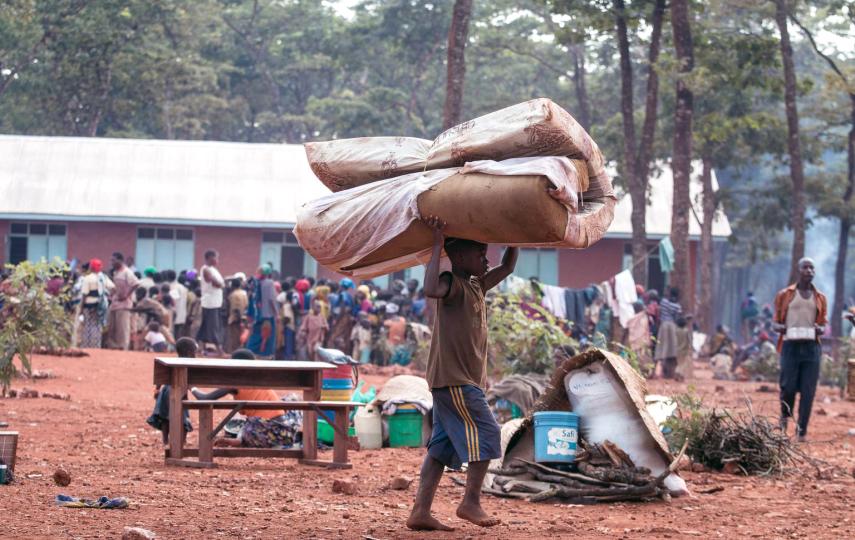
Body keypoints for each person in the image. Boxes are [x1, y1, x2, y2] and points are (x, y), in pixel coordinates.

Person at [407, 216, 518, 531]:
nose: (485, 259)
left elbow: (508, 266)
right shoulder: (452, 283)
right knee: (488, 433)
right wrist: (436, 245)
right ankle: (470, 502)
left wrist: (519, 234)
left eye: (486, 254)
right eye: (479, 254)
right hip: (455, 380)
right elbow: (430, 288)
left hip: (459, 382)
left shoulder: (477, 285)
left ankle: (420, 512)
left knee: (441, 448)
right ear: (457, 257)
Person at [189, 349, 301, 448]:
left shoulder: (235, 382)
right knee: (288, 400)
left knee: (246, 423)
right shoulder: (260, 376)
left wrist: (191, 387)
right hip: (287, 433)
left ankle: (240, 440)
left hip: (268, 433)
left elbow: (204, 399)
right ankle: (240, 439)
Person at [772, 257, 827, 442]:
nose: (809, 271)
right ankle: (784, 418)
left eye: (812, 268)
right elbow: (775, 322)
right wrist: (781, 328)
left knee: (808, 390)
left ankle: (802, 430)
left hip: (812, 347)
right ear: (799, 270)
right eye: (806, 267)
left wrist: (821, 329)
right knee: (787, 386)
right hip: (790, 346)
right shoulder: (785, 295)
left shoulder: (820, 298)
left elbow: (823, 324)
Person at [147, 337, 197, 446]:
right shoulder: (189, 364)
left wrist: (157, 389)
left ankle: (165, 440)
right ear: (189, 352)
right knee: (183, 416)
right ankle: (183, 440)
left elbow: (162, 377)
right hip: (179, 393)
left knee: (165, 416)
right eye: (194, 352)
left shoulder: (172, 362)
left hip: (165, 391)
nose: (195, 355)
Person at [106, 252, 139, 350]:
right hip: (115, 303)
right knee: (112, 326)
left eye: (113, 260)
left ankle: (123, 346)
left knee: (123, 327)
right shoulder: (116, 272)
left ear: (120, 260)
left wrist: (127, 295)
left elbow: (136, 283)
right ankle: (113, 346)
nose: (111, 262)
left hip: (124, 304)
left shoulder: (127, 272)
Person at [78, 258, 114, 348]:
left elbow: (84, 295)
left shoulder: (87, 278)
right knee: (98, 326)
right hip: (101, 306)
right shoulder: (103, 277)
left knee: (88, 325)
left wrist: (81, 309)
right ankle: (96, 345)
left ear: (91, 267)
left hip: (89, 306)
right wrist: (107, 297)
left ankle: (87, 345)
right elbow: (113, 288)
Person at [247, 266, 279, 358]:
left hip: (256, 315)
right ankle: (265, 355)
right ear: (269, 273)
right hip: (267, 315)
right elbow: (271, 300)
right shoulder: (269, 283)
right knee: (267, 336)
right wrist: (276, 314)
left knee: (255, 334)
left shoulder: (255, 282)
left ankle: (249, 352)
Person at [197, 249, 225, 355]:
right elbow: (214, 283)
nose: (217, 260)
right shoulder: (206, 269)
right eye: (216, 257)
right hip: (210, 303)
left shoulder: (213, 269)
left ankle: (201, 348)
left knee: (206, 326)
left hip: (214, 302)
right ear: (209, 258)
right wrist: (221, 284)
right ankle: (219, 350)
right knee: (213, 326)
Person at [654, 287, 682, 379]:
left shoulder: (664, 302)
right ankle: (669, 373)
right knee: (672, 350)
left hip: (664, 326)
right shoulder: (678, 306)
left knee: (661, 348)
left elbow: (660, 311)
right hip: (672, 327)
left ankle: (658, 372)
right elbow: (677, 318)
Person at [225, 278, 249, 353]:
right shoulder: (244, 293)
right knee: (242, 339)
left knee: (234, 340)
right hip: (244, 318)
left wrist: (238, 320)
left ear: (232, 286)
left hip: (235, 320)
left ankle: (235, 355)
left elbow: (236, 309)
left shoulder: (233, 295)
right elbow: (246, 305)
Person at [166, 270, 189, 338]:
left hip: (174, 313)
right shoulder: (182, 287)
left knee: (174, 333)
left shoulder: (173, 287)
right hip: (182, 313)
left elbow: (174, 301)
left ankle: (175, 347)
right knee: (179, 333)